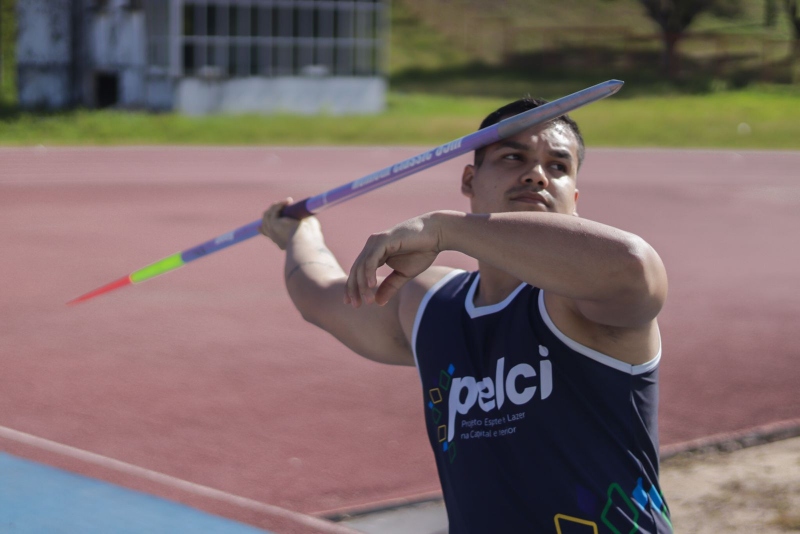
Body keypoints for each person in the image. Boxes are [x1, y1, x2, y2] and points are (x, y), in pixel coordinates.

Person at [260, 98, 672, 533]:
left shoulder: (578, 300)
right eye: (513, 157)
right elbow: (322, 298)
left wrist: (448, 229)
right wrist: (300, 236)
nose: (536, 174)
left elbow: (634, 267)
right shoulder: (430, 303)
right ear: (469, 179)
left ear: (574, 196)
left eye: (558, 166)